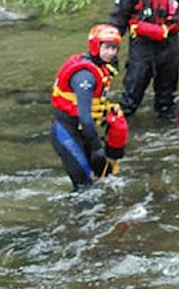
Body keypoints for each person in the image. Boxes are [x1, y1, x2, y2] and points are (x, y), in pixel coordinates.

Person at [50, 24, 130, 192]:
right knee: (84, 187)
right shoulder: (85, 76)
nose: (111, 53)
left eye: (115, 48)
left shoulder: (101, 68)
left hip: (80, 132)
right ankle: (75, 218)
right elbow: (85, 117)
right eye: (107, 47)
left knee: (102, 179)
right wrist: (96, 148)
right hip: (66, 133)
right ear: (95, 46)